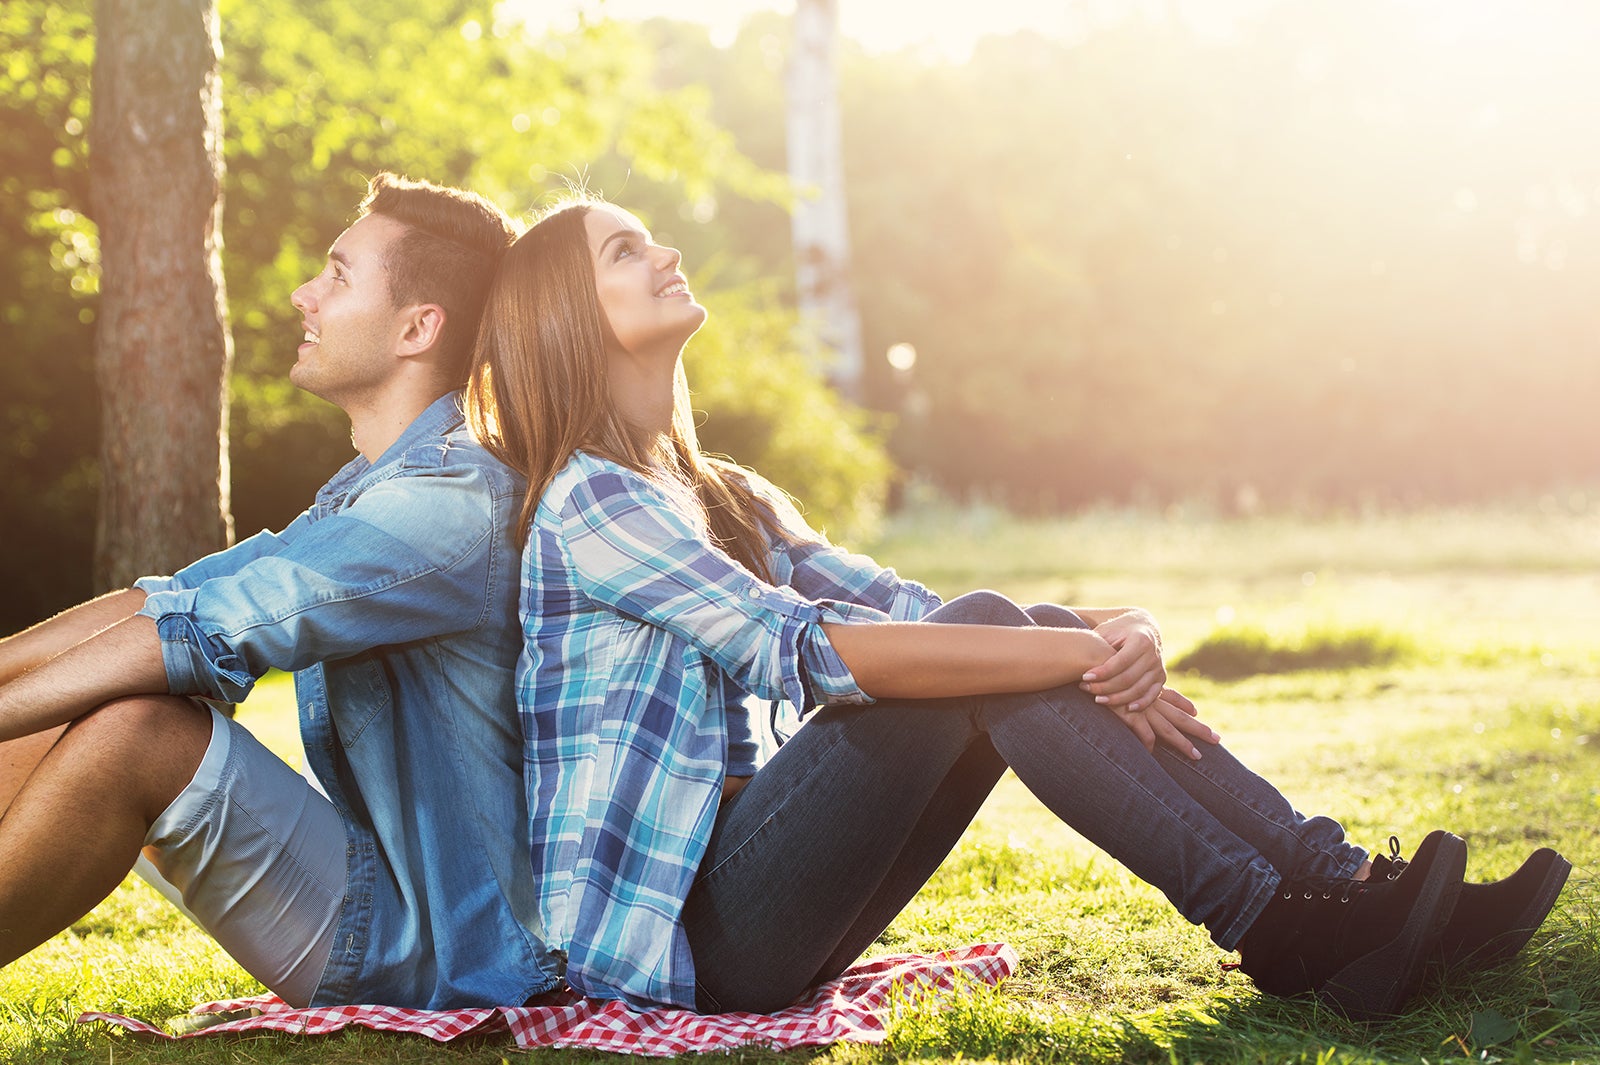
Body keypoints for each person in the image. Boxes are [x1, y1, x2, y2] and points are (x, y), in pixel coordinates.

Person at [464, 196, 1570, 1023]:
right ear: (570, 318)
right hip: (670, 941)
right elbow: (798, 650)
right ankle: (1283, 922)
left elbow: (920, 610)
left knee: (1004, 634)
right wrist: (1058, 648)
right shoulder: (587, 500)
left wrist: (1110, 627)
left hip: (756, 910)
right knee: (1003, 645)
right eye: (623, 250)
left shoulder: (721, 494)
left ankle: (1346, 892)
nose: (663, 251)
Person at [0, 172, 563, 1009]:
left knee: (142, 732)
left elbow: (196, 636)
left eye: (338, 275)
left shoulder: (447, 505)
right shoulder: (369, 490)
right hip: (392, 904)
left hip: (455, 951)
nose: (305, 294)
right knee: (100, 699)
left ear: (417, 327)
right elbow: (161, 601)